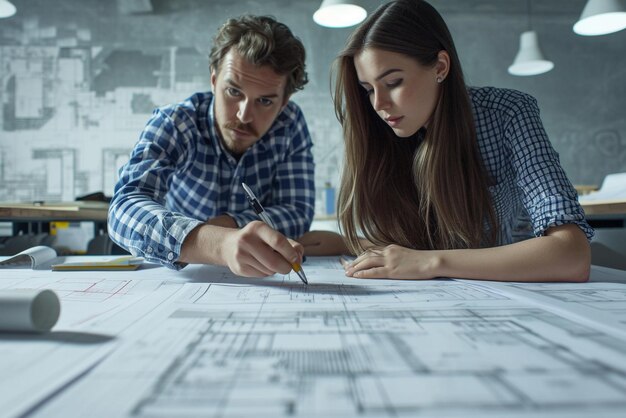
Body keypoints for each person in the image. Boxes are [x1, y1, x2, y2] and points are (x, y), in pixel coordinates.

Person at [324, 0, 593, 282]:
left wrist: (430, 263)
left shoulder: (509, 113)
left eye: (393, 83)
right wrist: (349, 241)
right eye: (368, 89)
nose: (379, 104)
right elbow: (418, 250)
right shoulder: (382, 135)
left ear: (440, 67)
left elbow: (572, 254)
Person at [108, 15, 315, 277]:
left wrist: (231, 224)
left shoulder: (290, 125)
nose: (244, 115)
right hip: (183, 271)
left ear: (284, 103)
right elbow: (123, 208)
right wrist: (218, 242)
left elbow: (297, 211)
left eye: (264, 102)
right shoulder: (176, 123)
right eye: (234, 92)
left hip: (263, 273)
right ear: (214, 81)